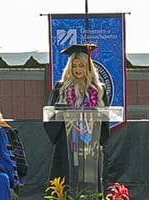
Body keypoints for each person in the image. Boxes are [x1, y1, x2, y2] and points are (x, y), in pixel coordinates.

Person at [44, 44, 110, 191]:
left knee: (90, 178)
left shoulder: (99, 89)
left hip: (90, 144)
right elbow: (50, 117)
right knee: (66, 180)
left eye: (81, 65)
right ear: (70, 68)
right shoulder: (61, 88)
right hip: (67, 142)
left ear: (88, 67)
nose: (78, 69)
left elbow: (105, 118)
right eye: (74, 66)